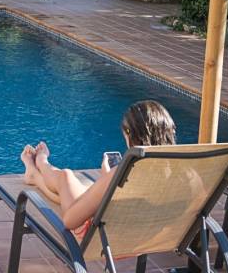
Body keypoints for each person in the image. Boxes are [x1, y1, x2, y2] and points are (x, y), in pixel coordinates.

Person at [20, 100, 176, 237]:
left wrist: (107, 178)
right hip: (146, 237)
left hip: (104, 237)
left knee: (66, 176)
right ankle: (34, 175)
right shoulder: (180, 172)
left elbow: (70, 220)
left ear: (131, 135)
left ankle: (41, 162)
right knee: (78, 191)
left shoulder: (125, 171)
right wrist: (108, 179)